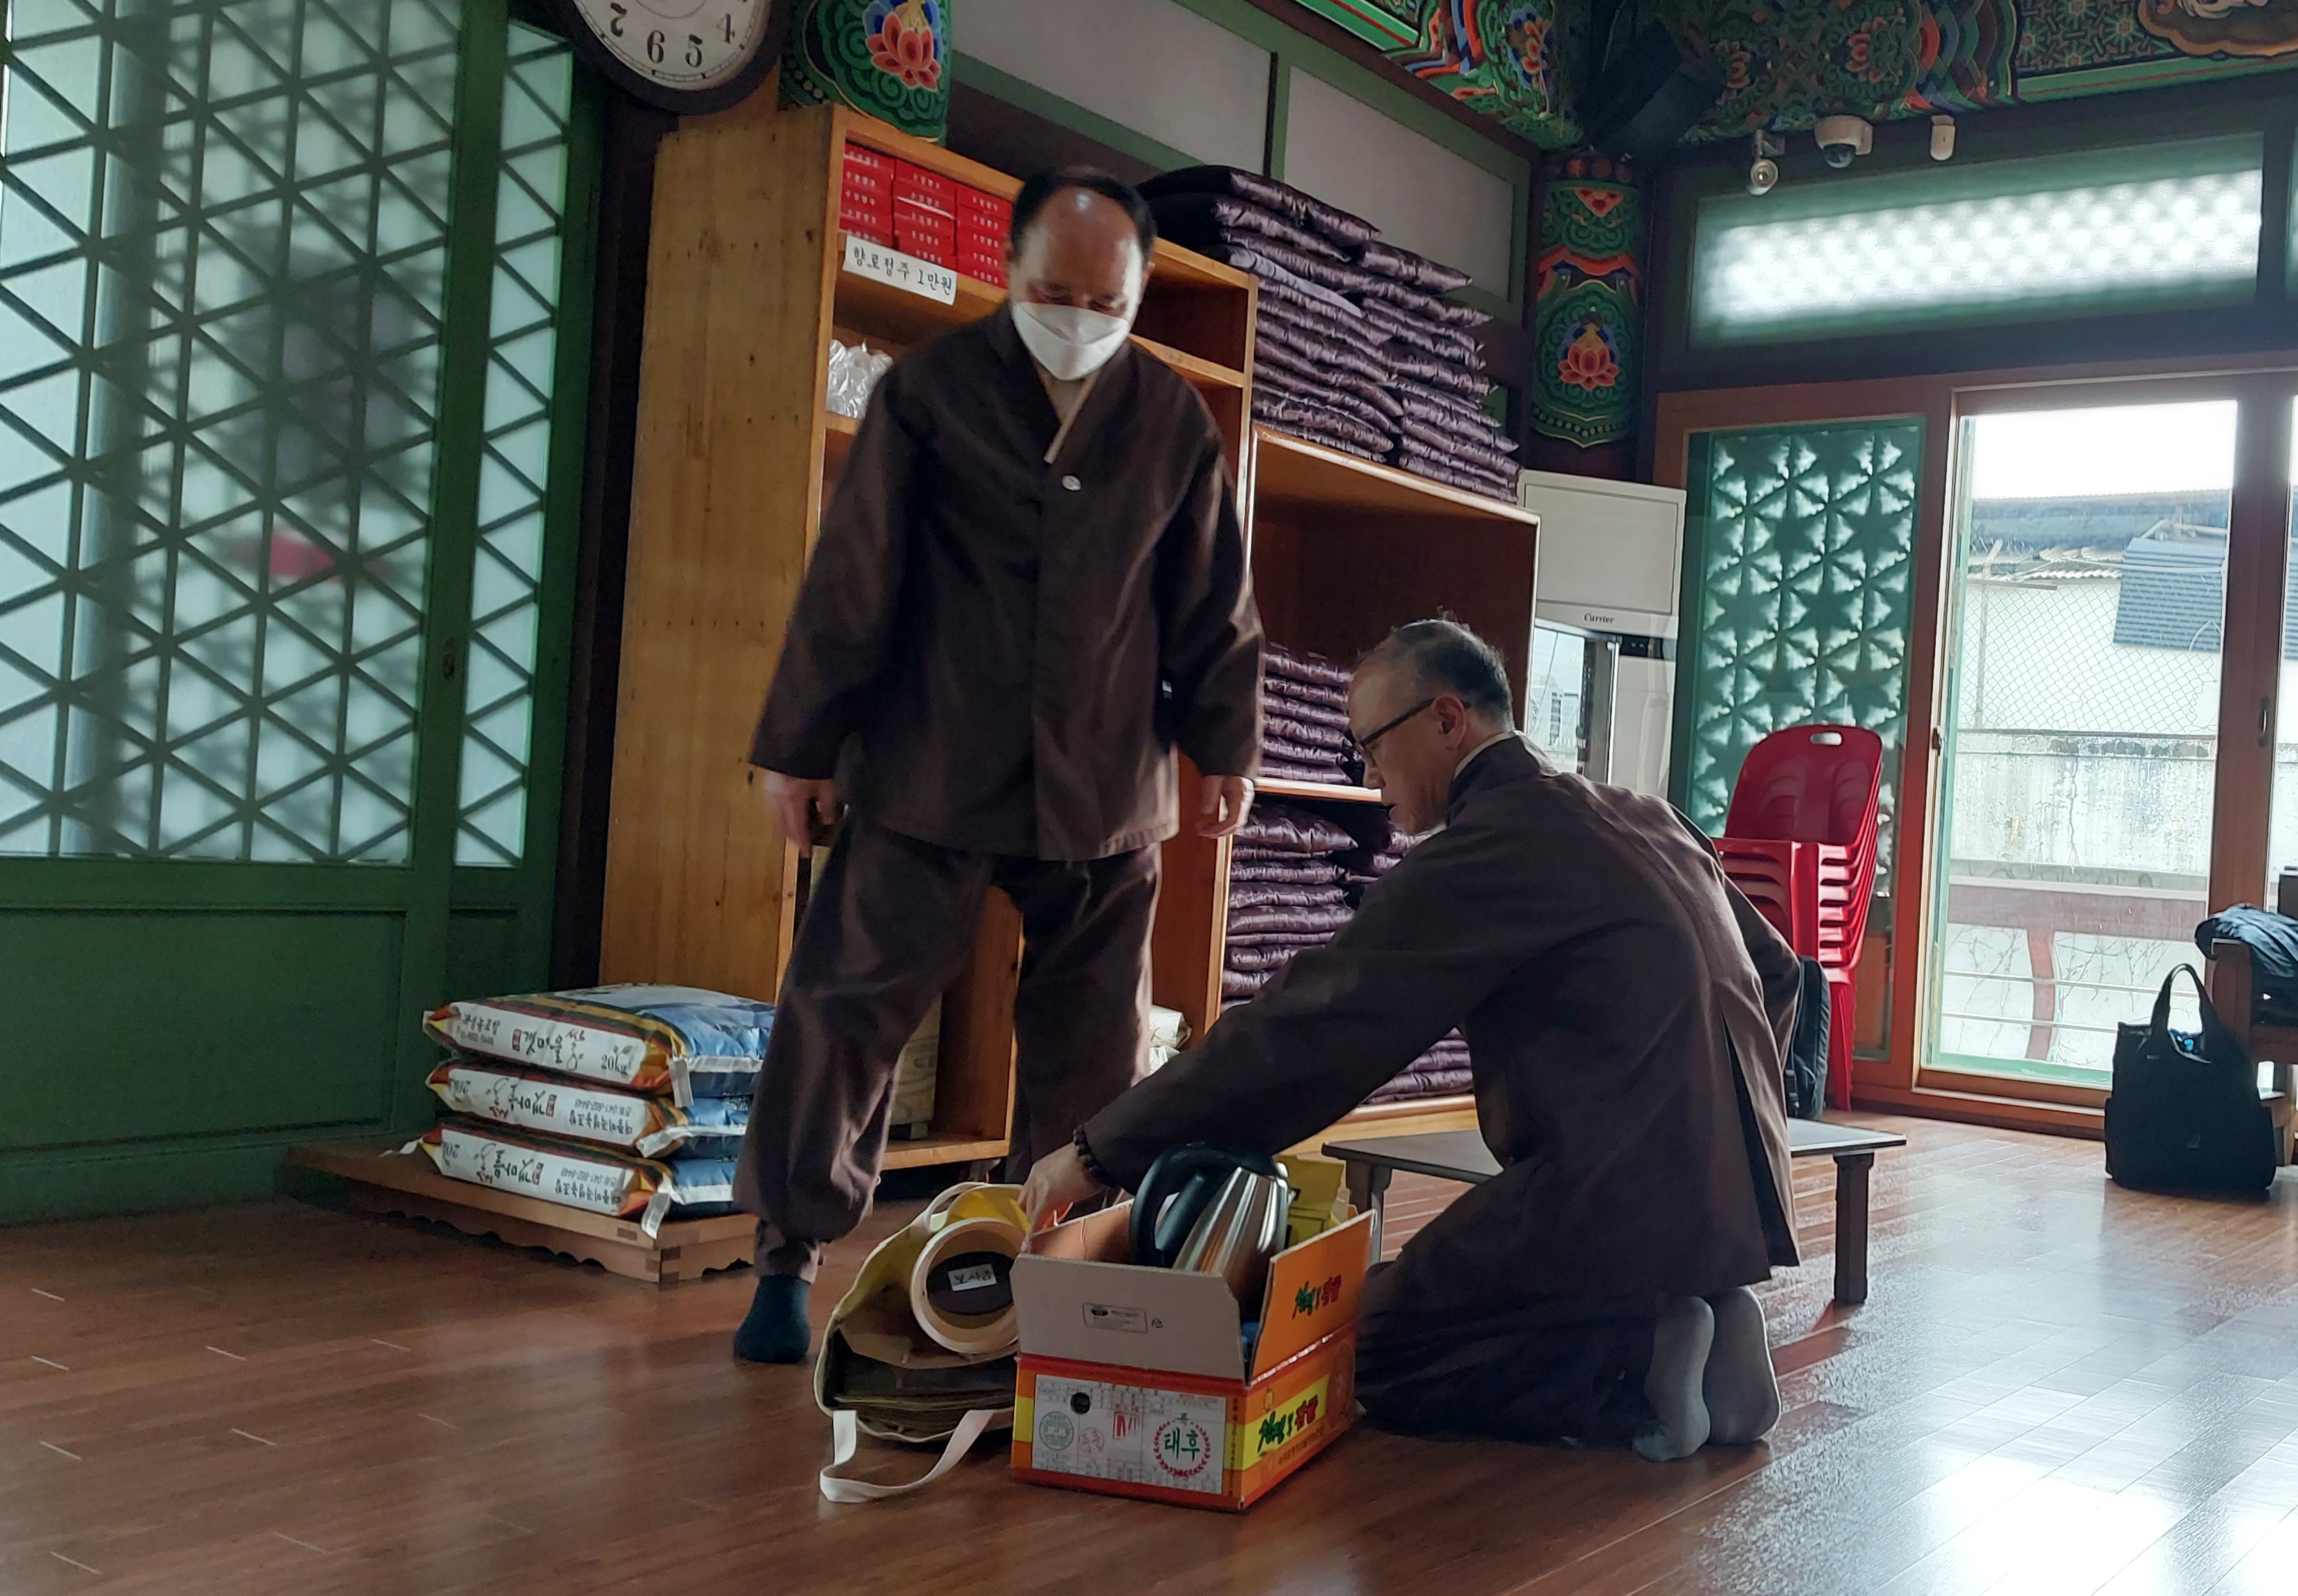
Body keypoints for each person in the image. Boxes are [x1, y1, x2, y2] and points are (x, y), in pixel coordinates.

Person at [1022, 620, 1802, 1460]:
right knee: (1405, 1295)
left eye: (1372, 747)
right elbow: (1781, 971)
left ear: (1446, 719)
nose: (1369, 775)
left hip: (1609, 1192)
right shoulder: (1644, 813)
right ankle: (1692, 1309)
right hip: (1738, 1194)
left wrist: (1100, 1150)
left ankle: (1637, 1360)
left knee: (1366, 1345)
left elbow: (1308, 1025)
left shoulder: (1494, 844)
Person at [731, 168, 1263, 1363]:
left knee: (1097, 1049)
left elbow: (1214, 602)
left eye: (1106, 300)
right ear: (1011, 273)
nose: (1079, 317)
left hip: (1107, 780)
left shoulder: (1173, 420)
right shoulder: (929, 393)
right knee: (845, 1011)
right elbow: (852, 578)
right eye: (1055, 292)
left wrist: (1225, 743)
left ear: (1138, 294)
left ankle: (1054, 1272)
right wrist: (801, 747)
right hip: (932, 757)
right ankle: (785, 1258)